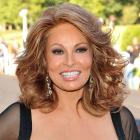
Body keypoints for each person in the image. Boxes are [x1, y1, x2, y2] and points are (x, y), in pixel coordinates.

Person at [0, 3, 139, 140]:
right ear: (43, 59)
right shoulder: (18, 121)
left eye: (80, 49)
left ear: (94, 56)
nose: (70, 61)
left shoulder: (121, 121)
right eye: (58, 51)